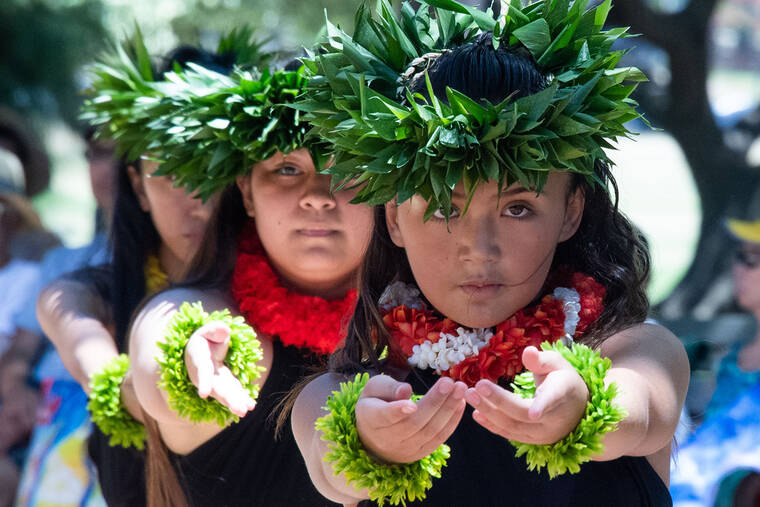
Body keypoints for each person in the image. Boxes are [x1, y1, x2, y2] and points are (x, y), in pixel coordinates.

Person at [288, 1, 689, 505]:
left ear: (570, 212)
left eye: (518, 208)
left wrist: (583, 408)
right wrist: (369, 442)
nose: (479, 249)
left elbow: (643, 408)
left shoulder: (637, 353)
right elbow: (331, 462)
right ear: (393, 218)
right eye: (441, 207)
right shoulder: (340, 395)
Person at [29, 39, 237, 506]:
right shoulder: (105, 290)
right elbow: (63, 305)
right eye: (170, 173)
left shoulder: (281, 296)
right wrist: (123, 384)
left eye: (211, 169)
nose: (196, 199)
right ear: (139, 187)